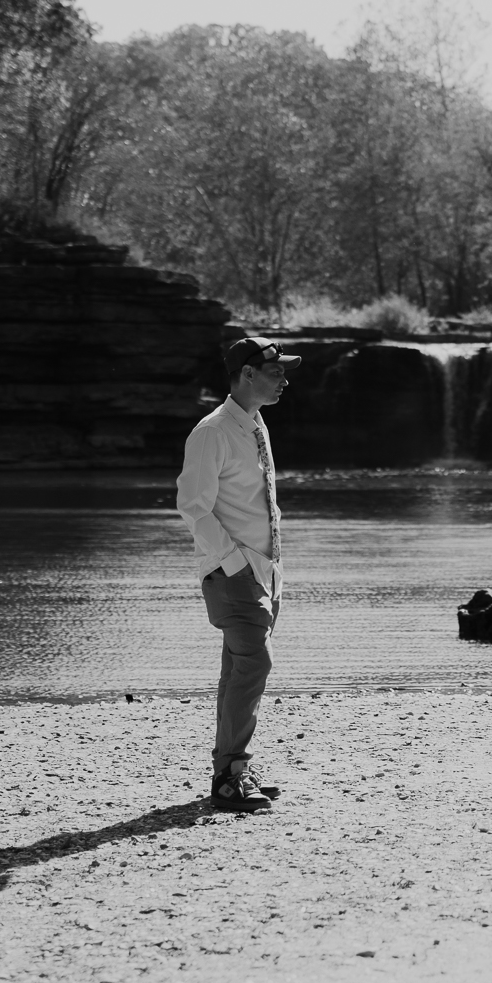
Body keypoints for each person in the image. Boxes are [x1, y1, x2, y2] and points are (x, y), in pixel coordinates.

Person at [176, 336, 301, 813]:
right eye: (276, 372)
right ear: (247, 374)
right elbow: (193, 508)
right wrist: (236, 564)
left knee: (238, 668)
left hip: (264, 570)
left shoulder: (255, 424)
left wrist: (271, 569)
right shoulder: (212, 431)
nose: (284, 380)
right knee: (254, 664)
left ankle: (232, 770)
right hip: (236, 570)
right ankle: (230, 776)